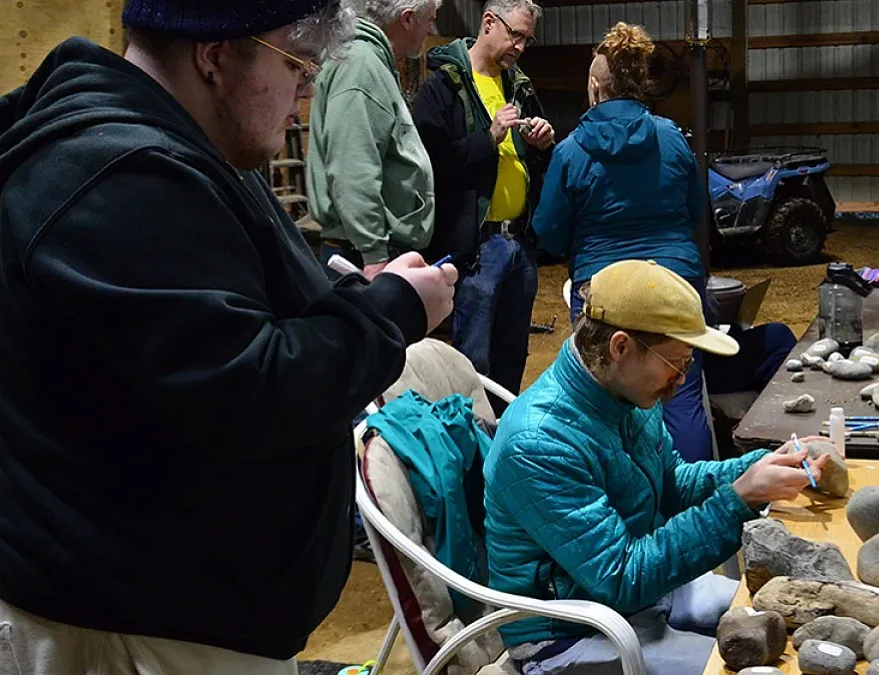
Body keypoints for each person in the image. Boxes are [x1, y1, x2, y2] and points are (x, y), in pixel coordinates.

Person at [0, 0, 458, 672]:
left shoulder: (178, 153)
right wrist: (391, 311)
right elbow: (251, 389)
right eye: (295, 63)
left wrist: (349, 296)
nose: (306, 88)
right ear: (214, 56)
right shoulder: (120, 179)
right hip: (130, 631)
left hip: (173, 621)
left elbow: (228, 328)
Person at [484, 260, 831, 675]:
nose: (682, 380)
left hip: (638, 596)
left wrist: (759, 465)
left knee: (787, 616)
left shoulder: (626, 393)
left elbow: (672, 483)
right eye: (678, 363)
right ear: (620, 346)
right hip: (569, 632)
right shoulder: (540, 443)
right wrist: (739, 499)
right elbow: (621, 577)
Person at [532, 23, 795, 462]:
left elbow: (550, 233)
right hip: (675, 283)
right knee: (680, 394)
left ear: (596, 86)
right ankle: (693, 498)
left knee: (603, 408)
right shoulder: (672, 138)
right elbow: (697, 216)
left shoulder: (571, 150)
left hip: (606, 294)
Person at [413, 0, 554, 396]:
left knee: (513, 355)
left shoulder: (518, 85)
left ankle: (503, 441)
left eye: (528, 40)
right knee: (473, 361)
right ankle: (475, 446)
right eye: (516, 36)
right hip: (476, 250)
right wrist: (489, 137)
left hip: (519, 243)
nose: (521, 48)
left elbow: (538, 161)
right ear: (489, 22)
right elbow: (433, 164)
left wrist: (542, 142)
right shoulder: (442, 87)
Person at [307, 0, 439, 278]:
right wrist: (374, 252)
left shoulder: (369, 60)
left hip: (366, 246)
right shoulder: (361, 65)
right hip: (364, 254)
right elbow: (352, 166)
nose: (431, 29)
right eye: (430, 20)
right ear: (407, 19)